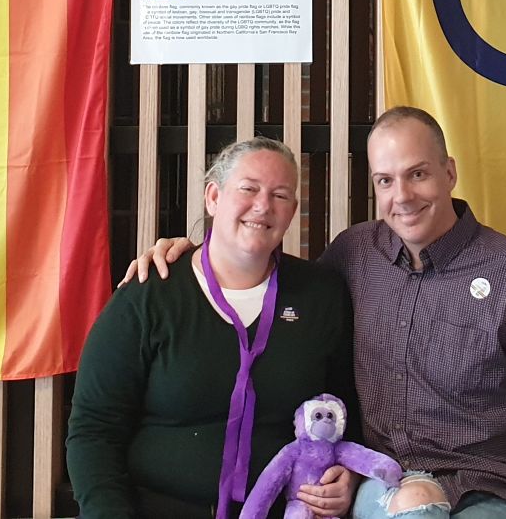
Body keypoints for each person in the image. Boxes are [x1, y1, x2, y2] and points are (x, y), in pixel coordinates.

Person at [125, 108, 506, 519]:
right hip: (383, 480)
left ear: (449, 172)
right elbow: (268, 280)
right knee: (407, 504)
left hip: (493, 487)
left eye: (418, 174)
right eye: (386, 180)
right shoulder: (355, 253)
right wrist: (195, 252)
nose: (402, 196)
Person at [69, 137, 360, 519]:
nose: (263, 205)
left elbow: (347, 412)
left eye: (281, 195)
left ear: (292, 213)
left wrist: (349, 477)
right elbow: (94, 430)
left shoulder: (322, 295)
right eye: (249, 189)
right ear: (213, 197)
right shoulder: (147, 295)